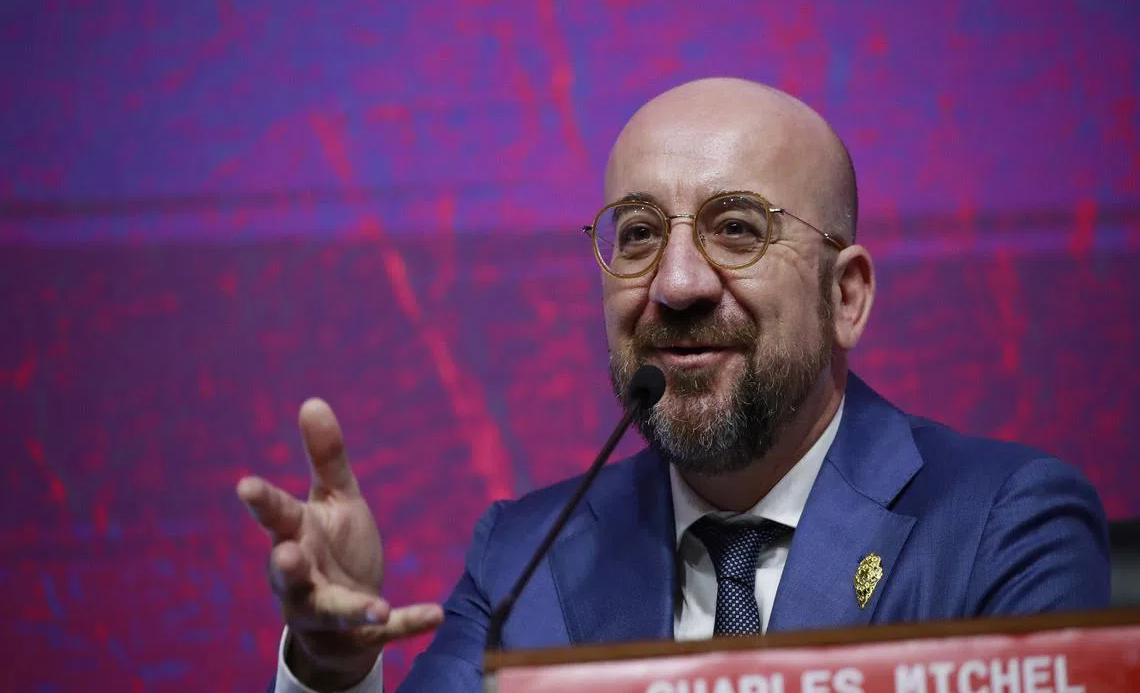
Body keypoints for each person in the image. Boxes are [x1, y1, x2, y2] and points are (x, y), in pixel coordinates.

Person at [237, 78, 1111, 693]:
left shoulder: (1003, 528)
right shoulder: (525, 556)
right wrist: (331, 672)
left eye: (737, 228)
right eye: (640, 233)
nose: (678, 283)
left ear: (845, 296)